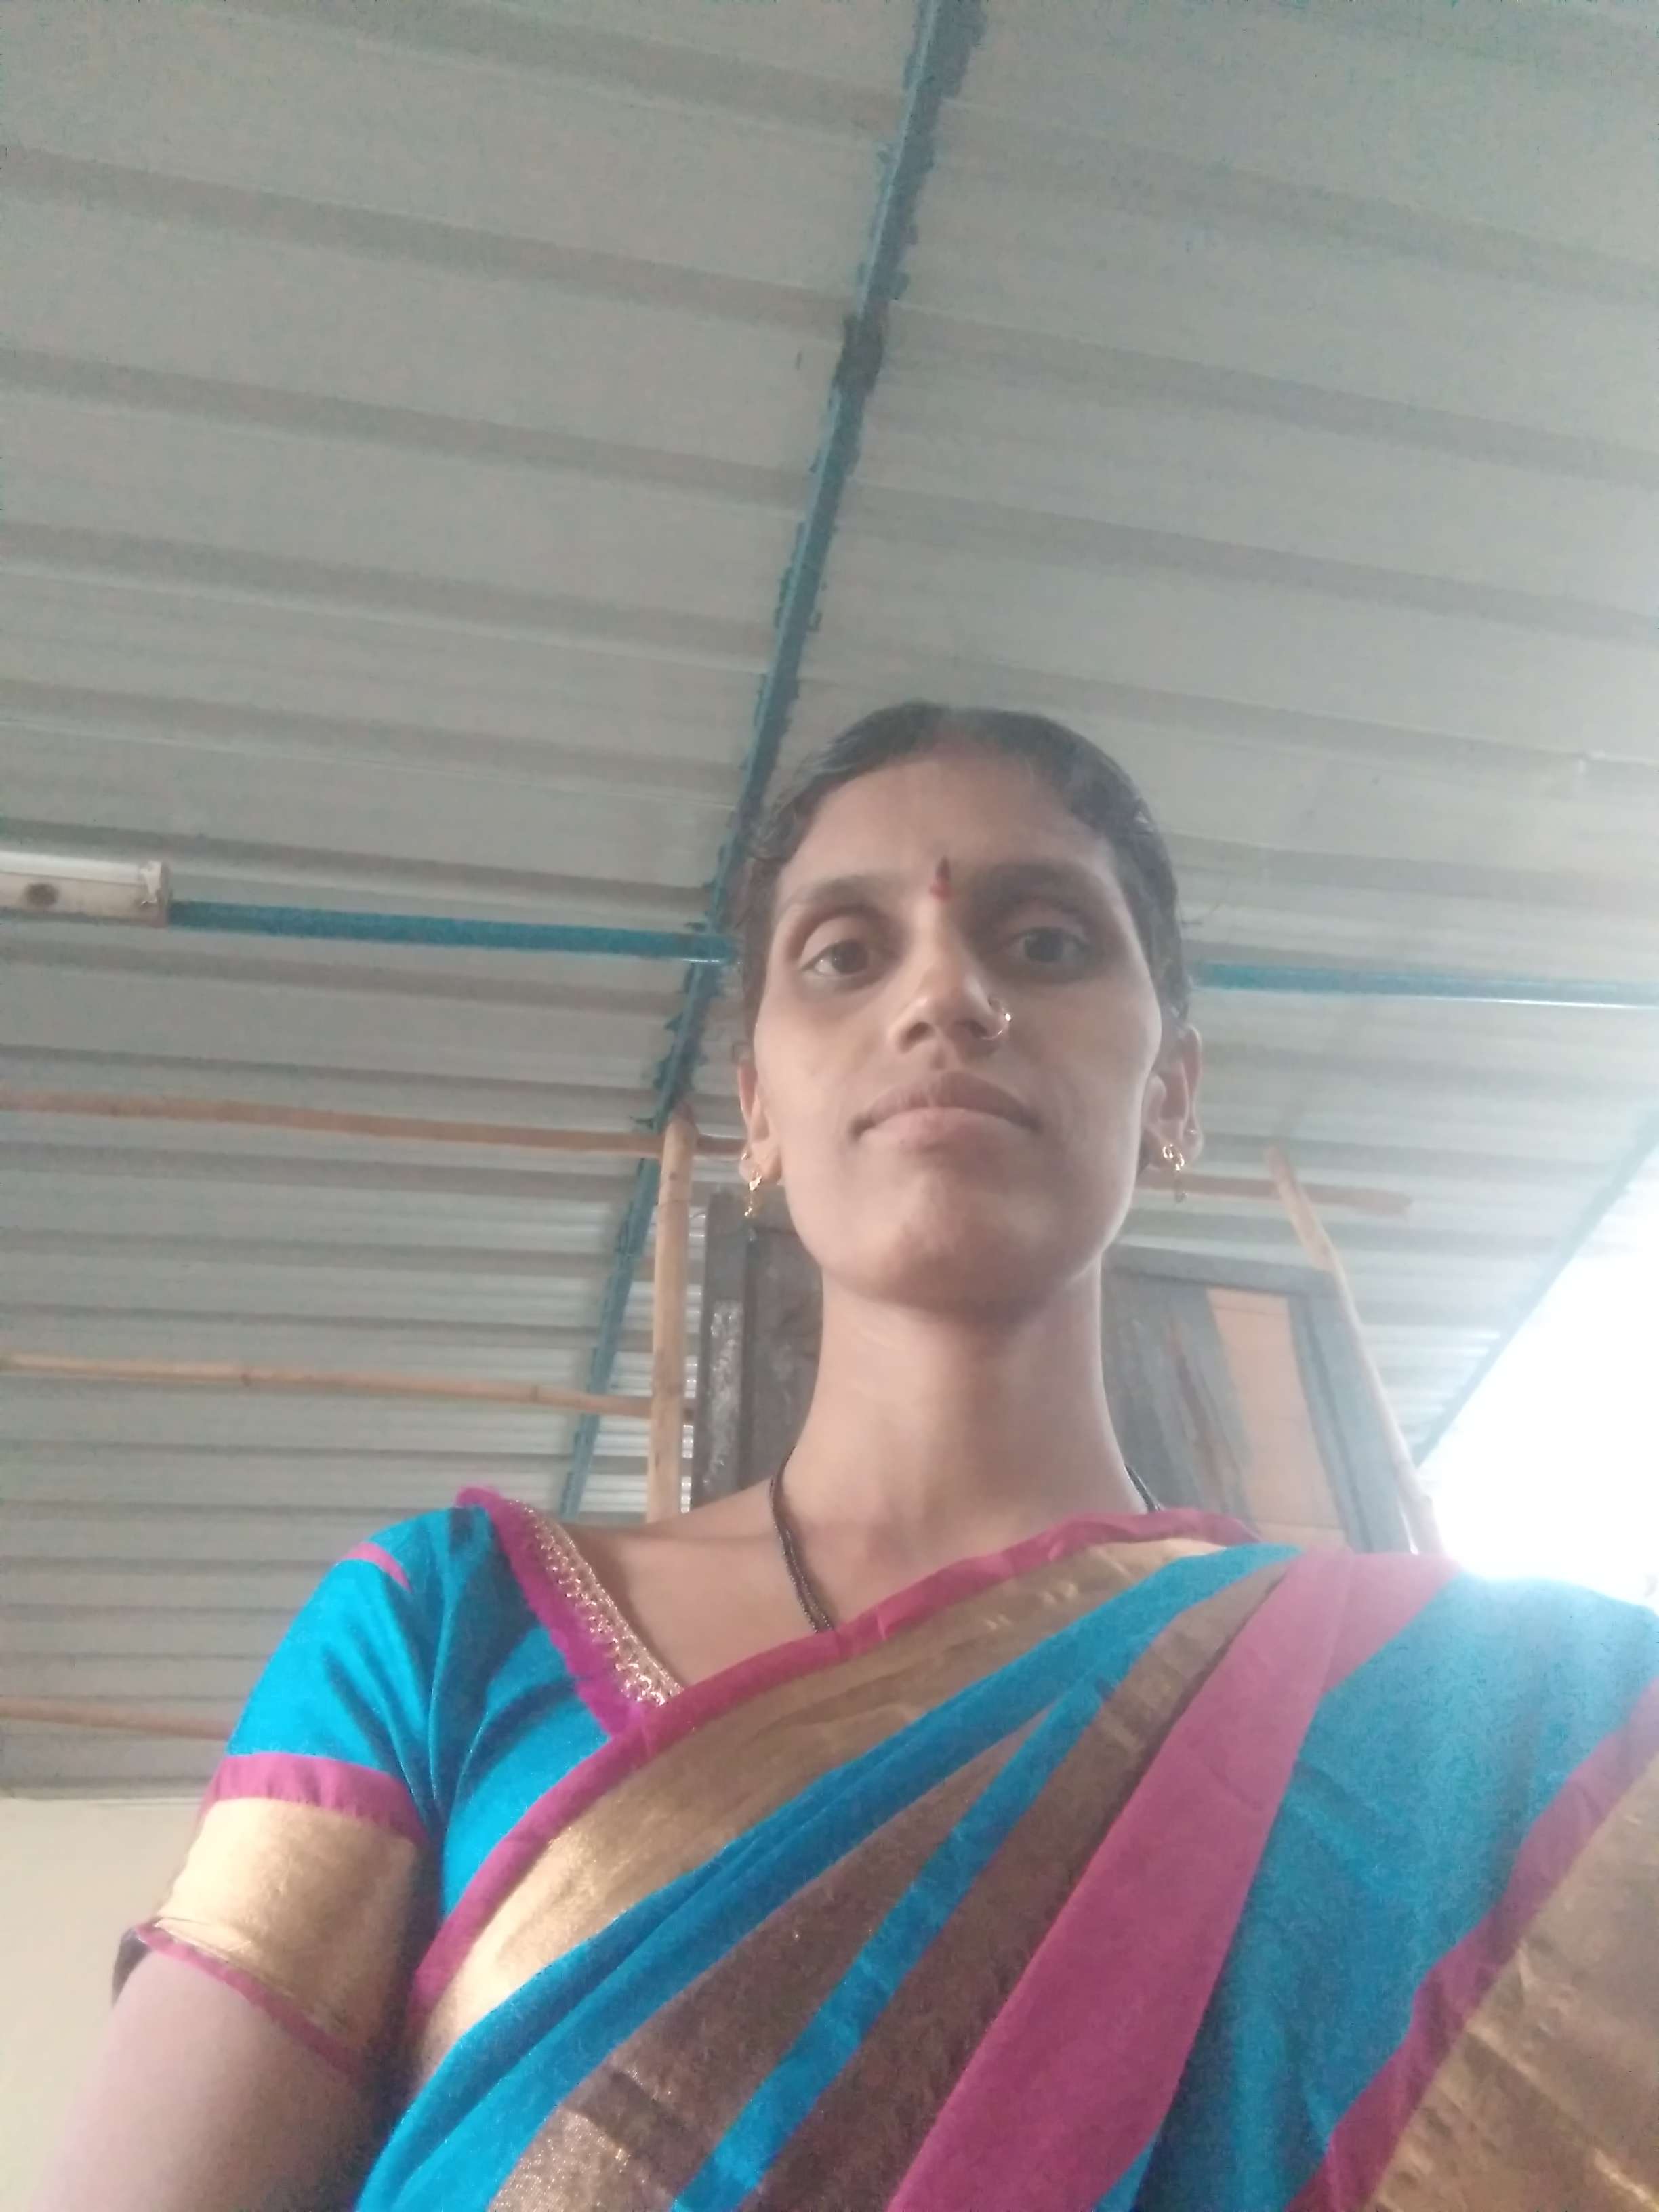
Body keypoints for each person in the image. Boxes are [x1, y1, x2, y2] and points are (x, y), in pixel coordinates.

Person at [35, 703, 1659, 2211]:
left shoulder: (1490, 1723)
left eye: (1044, 941)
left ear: (1173, 1088)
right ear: (757, 1105)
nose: (947, 998)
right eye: (843, 955)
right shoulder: (438, 1632)